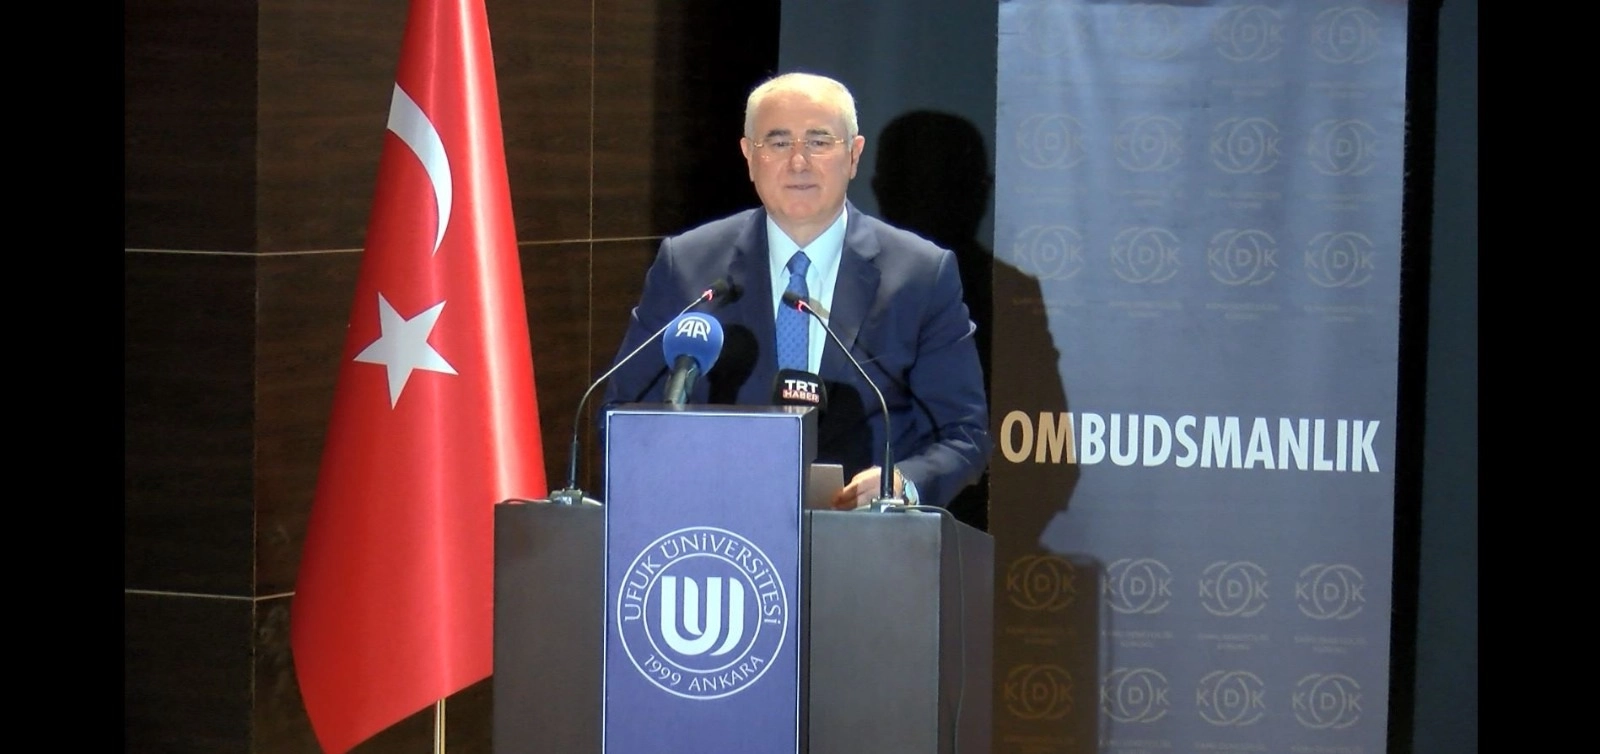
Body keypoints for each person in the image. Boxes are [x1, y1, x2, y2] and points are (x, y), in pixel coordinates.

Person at [600, 72, 991, 511]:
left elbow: (963, 435)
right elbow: (624, 414)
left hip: (863, 536)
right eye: (779, 142)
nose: (799, 162)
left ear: (854, 155)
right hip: (717, 527)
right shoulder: (688, 266)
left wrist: (902, 483)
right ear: (750, 157)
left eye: (819, 142)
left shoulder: (920, 274)